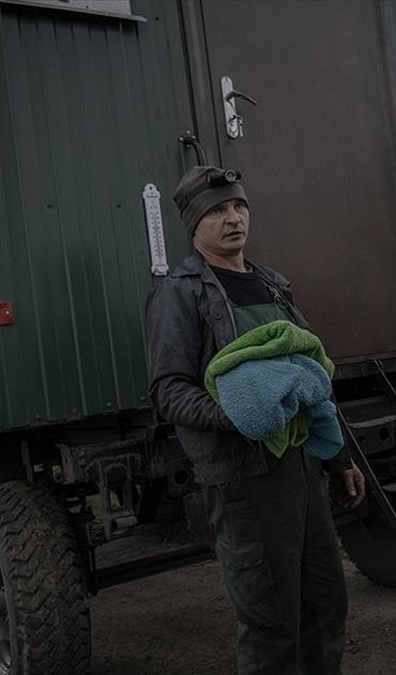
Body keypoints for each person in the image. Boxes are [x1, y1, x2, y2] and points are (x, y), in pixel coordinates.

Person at [145, 165, 366, 675]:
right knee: (270, 623)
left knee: (325, 605)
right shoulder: (179, 294)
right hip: (244, 481)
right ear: (194, 225)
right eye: (217, 211)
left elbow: (310, 375)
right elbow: (168, 390)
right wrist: (234, 415)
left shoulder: (273, 284)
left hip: (303, 472)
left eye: (239, 206)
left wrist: (338, 459)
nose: (232, 218)